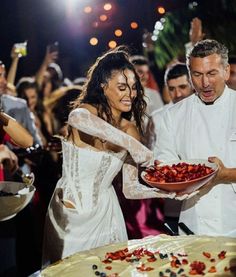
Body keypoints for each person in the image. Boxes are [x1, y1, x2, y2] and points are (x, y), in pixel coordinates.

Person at [42, 46, 175, 266]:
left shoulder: (130, 129)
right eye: (122, 87)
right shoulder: (87, 112)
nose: (130, 94)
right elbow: (77, 118)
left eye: (133, 88)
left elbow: (131, 189)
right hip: (71, 215)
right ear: (104, 87)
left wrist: (167, 191)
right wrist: (133, 146)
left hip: (108, 214)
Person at [155, 39, 236, 237]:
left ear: (226, 72)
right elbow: (166, 163)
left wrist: (226, 175)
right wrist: (166, 176)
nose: (205, 83)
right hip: (192, 226)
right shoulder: (170, 116)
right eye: (197, 75)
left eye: (211, 73)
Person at [146, 63, 193, 234]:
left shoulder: (204, 112)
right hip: (172, 205)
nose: (178, 94)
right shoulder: (157, 118)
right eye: (172, 89)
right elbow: (153, 156)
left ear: (192, 84)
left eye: (182, 87)